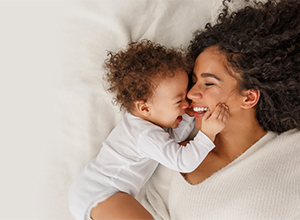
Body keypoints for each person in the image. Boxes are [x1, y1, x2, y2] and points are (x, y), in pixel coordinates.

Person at [137, 0, 300, 219]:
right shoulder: (174, 155)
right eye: (194, 82)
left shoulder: (292, 150)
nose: (192, 94)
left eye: (209, 83)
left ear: (249, 97)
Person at [68, 40, 229, 220]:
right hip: (102, 192)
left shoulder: (147, 124)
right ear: (144, 108)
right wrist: (208, 134)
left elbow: (173, 140)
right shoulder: (144, 134)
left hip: (94, 191)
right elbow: (182, 160)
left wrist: (188, 115)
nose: (187, 104)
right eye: (179, 101)